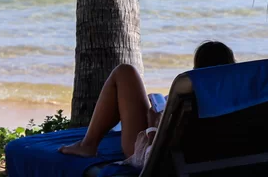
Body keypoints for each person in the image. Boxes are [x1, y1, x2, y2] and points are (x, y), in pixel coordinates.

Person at [59, 41, 235, 159]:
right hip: (205, 159)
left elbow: (154, 153)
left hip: (155, 156)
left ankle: (88, 145)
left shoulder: (192, 99)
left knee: (125, 72)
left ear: (198, 68)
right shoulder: (239, 100)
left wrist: (152, 125)